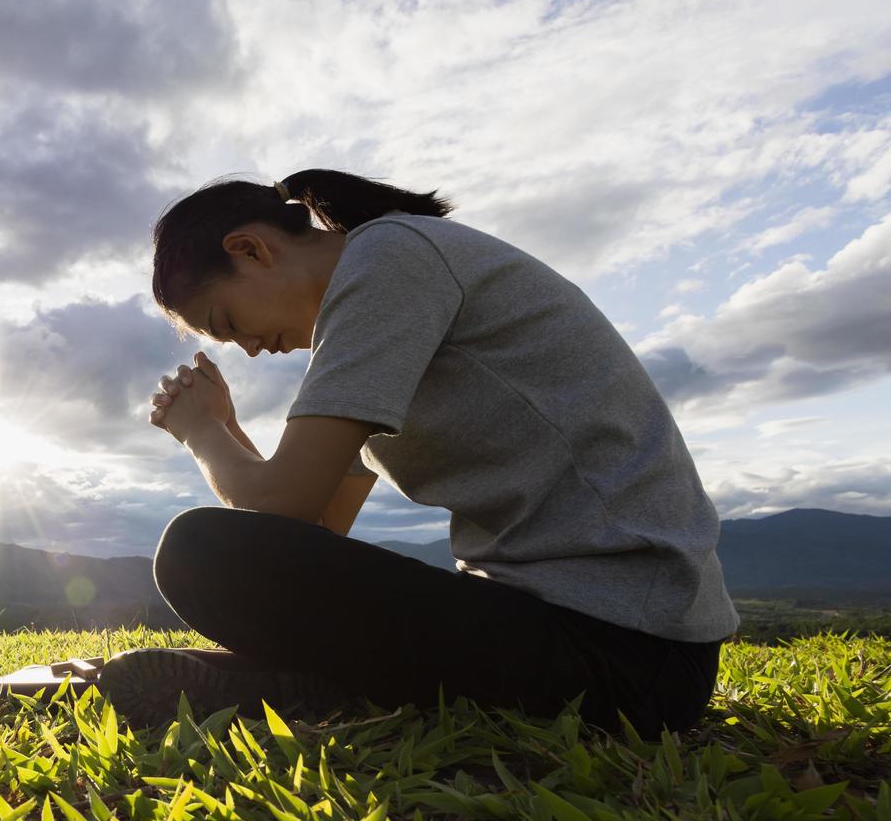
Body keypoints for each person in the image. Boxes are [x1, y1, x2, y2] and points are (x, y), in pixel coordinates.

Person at [96, 169, 739, 736]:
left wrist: (200, 432)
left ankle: (332, 682)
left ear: (250, 249)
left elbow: (280, 505)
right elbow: (311, 533)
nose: (251, 349)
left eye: (229, 322)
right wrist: (231, 430)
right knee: (225, 556)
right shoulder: (373, 316)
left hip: (629, 652)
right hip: (576, 633)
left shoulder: (391, 259)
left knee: (199, 552)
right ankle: (319, 684)